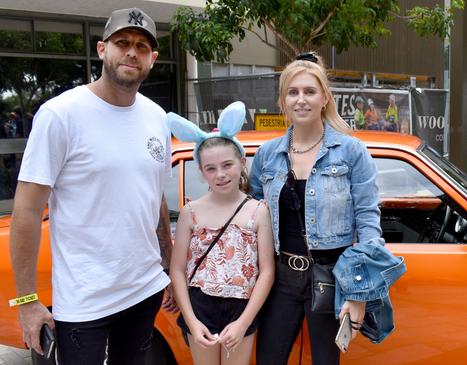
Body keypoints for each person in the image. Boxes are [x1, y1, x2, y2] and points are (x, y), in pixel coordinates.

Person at [9, 8, 176, 365]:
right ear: (102, 49)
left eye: (142, 46)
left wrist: (168, 265)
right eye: (122, 43)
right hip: (85, 301)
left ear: (153, 59)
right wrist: (26, 301)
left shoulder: (156, 117)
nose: (132, 52)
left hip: (144, 289)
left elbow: (154, 194)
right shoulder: (60, 115)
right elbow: (25, 210)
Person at [250, 51, 405, 365]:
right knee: (268, 358)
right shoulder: (267, 155)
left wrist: (358, 293)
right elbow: (252, 215)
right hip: (279, 278)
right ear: (282, 101)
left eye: (309, 91)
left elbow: (368, 221)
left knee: (326, 361)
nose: (301, 100)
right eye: (292, 92)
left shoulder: (350, 151)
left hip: (332, 276)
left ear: (325, 98)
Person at [167, 102, 274, 365]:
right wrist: (191, 321)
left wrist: (243, 322)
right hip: (199, 305)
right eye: (211, 168)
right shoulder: (190, 212)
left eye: (227, 165)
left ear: (241, 162)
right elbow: (178, 270)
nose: (221, 174)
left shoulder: (258, 211)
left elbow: (267, 271)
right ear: (201, 172)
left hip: (241, 307)